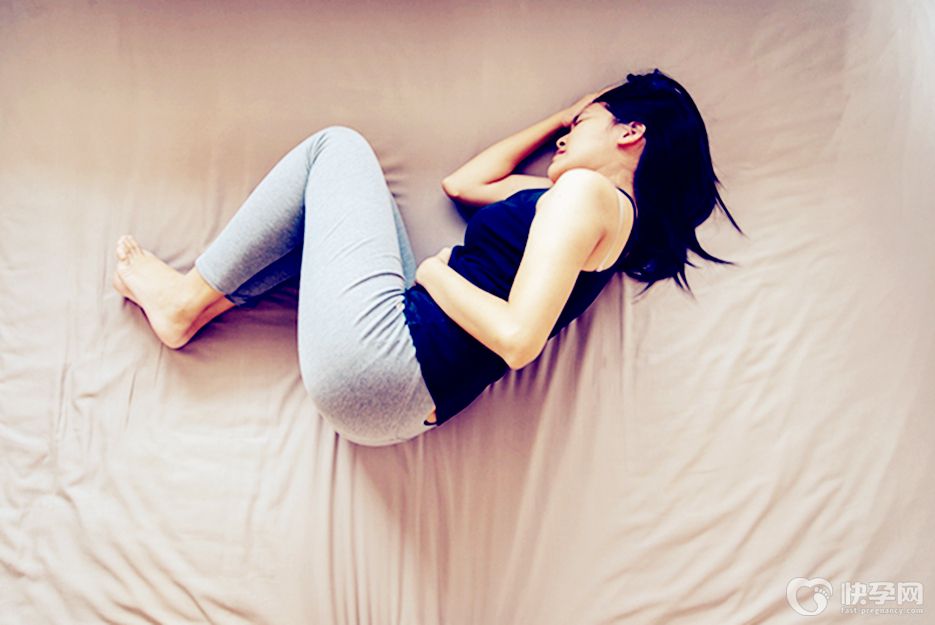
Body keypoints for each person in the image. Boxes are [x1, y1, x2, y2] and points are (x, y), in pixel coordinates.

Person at [112, 68, 742, 447]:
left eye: (583, 123)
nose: (566, 136)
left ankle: (186, 300)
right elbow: (464, 185)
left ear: (631, 132)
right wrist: (563, 117)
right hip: (406, 411)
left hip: (390, 360)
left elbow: (520, 340)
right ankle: (197, 309)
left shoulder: (586, 196)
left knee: (334, 148)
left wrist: (436, 275)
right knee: (319, 207)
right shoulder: (594, 213)